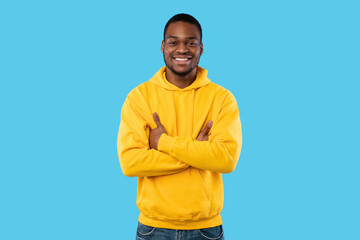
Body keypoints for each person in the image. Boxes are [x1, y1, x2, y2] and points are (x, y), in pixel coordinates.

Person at [117, 13, 242, 240]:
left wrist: (162, 143)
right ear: (163, 47)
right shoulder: (139, 97)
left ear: (201, 49)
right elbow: (130, 162)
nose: (182, 49)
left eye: (190, 43)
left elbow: (226, 159)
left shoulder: (222, 98)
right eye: (174, 42)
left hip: (206, 230)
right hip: (152, 229)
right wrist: (198, 152)